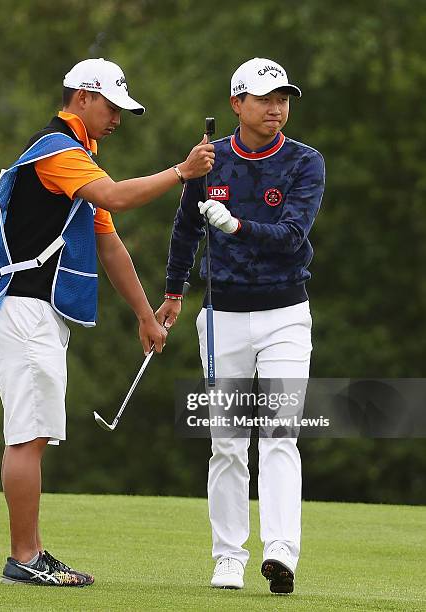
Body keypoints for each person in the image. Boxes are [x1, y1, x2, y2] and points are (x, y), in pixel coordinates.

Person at [0, 58, 214, 587]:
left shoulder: (77, 157)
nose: (118, 118)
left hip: (34, 310)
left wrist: (145, 313)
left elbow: (108, 242)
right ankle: (23, 559)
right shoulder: (59, 151)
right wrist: (182, 172)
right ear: (82, 97)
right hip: (24, 307)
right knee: (26, 436)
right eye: (111, 106)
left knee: (31, 435)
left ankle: (33, 552)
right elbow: (117, 198)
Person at [156, 57, 325, 594]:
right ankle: (229, 555)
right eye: (264, 98)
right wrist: (173, 291)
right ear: (237, 104)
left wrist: (236, 225)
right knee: (226, 441)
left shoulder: (305, 161)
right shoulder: (209, 161)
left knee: (280, 434)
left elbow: (293, 233)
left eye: (283, 98)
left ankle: (280, 552)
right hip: (222, 317)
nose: (277, 108)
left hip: (285, 317)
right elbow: (185, 230)